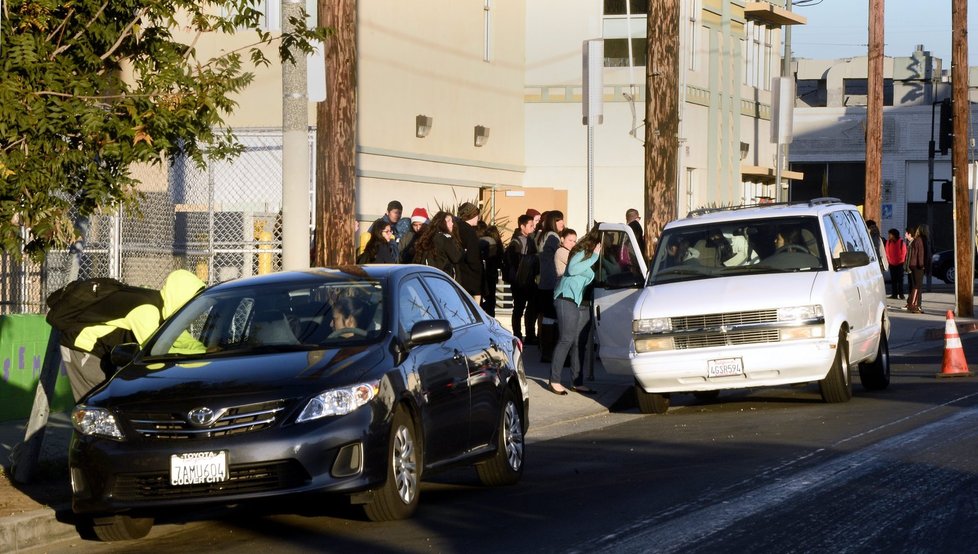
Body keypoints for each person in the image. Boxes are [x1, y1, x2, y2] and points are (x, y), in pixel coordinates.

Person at [49, 269, 206, 401]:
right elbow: (156, 351)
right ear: (181, 296)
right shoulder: (146, 310)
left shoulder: (163, 308)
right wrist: (196, 359)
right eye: (191, 302)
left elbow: (179, 338)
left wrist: (206, 352)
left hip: (104, 351)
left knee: (107, 402)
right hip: (82, 347)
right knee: (94, 403)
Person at [548, 225, 602, 396]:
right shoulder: (580, 254)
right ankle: (554, 380)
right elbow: (572, 269)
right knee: (566, 339)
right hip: (565, 299)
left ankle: (577, 382)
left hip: (576, 302)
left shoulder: (586, 259)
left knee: (579, 343)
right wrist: (594, 256)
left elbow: (587, 274)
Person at [504, 214, 539, 345]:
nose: (533, 227)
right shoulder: (517, 242)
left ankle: (528, 334)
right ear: (522, 226)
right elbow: (514, 263)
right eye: (531, 225)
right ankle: (518, 334)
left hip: (527, 280)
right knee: (519, 308)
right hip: (519, 281)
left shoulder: (529, 239)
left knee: (529, 307)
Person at [535, 210, 564, 363]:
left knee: (547, 317)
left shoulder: (542, 235)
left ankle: (546, 352)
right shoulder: (553, 237)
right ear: (553, 221)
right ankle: (551, 352)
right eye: (560, 220)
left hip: (543, 282)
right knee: (554, 317)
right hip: (552, 281)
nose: (562, 223)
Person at [413, 210, 464, 278]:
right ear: (441, 223)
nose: (452, 224)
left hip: (429, 275)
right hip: (442, 277)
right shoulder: (444, 238)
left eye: (452, 221)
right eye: (449, 221)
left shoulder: (430, 236)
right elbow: (456, 257)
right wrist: (463, 250)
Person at [455, 202, 484, 304]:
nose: (478, 218)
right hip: (471, 278)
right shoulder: (469, 232)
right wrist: (479, 269)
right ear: (472, 215)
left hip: (458, 276)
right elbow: (473, 257)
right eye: (477, 215)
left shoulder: (455, 228)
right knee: (474, 310)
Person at [477, 221, 503, 317]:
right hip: (491, 275)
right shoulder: (492, 242)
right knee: (491, 300)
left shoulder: (478, 241)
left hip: (480, 275)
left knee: (479, 299)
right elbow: (498, 260)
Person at [906, 225, 925, 313]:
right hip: (917, 265)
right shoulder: (919, 240)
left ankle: (912, 303)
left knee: (915, 285)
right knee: (917, 286)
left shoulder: (915, 240)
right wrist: (922, 265)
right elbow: (920, 254)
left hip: (912, 265)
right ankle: (913, 304)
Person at [885, 227, 907, 300]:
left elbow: (904, 253)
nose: (889, 236)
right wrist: (889, 260)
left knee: (900, 280)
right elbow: (887, 252)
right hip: (891, 264)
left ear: (894, 235)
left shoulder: (901, 242)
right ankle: (894, 294)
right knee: (893, 280)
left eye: (890, 234)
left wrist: (899, 261)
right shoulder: (888, 242)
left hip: (900, 264)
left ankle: (901, 294)